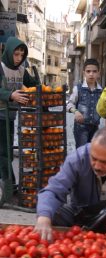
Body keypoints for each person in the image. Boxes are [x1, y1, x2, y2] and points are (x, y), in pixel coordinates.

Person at [0, 37, 39, 197]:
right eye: (16, 54)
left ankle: (8, 184)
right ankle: (9, 186)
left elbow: (33, 84)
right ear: (9, 52)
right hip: (0, 114)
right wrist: (10, 95)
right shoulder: (1, 67)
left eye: (22, 55)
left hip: (9, 117)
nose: (18, 58)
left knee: (6, 151)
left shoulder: (21, 69)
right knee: (4, 152)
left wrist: (40, 86)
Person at [67, 58, 102, 148]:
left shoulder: (101, 91)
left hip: (95, 128)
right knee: (82, 153)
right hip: (81, 128)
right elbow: (69, 104)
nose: (91, 74)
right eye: (88, 71)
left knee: (94, 153)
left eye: (94, 71)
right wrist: (76, 111)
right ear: (84, 73)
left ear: (98, 73)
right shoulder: (78, 89)